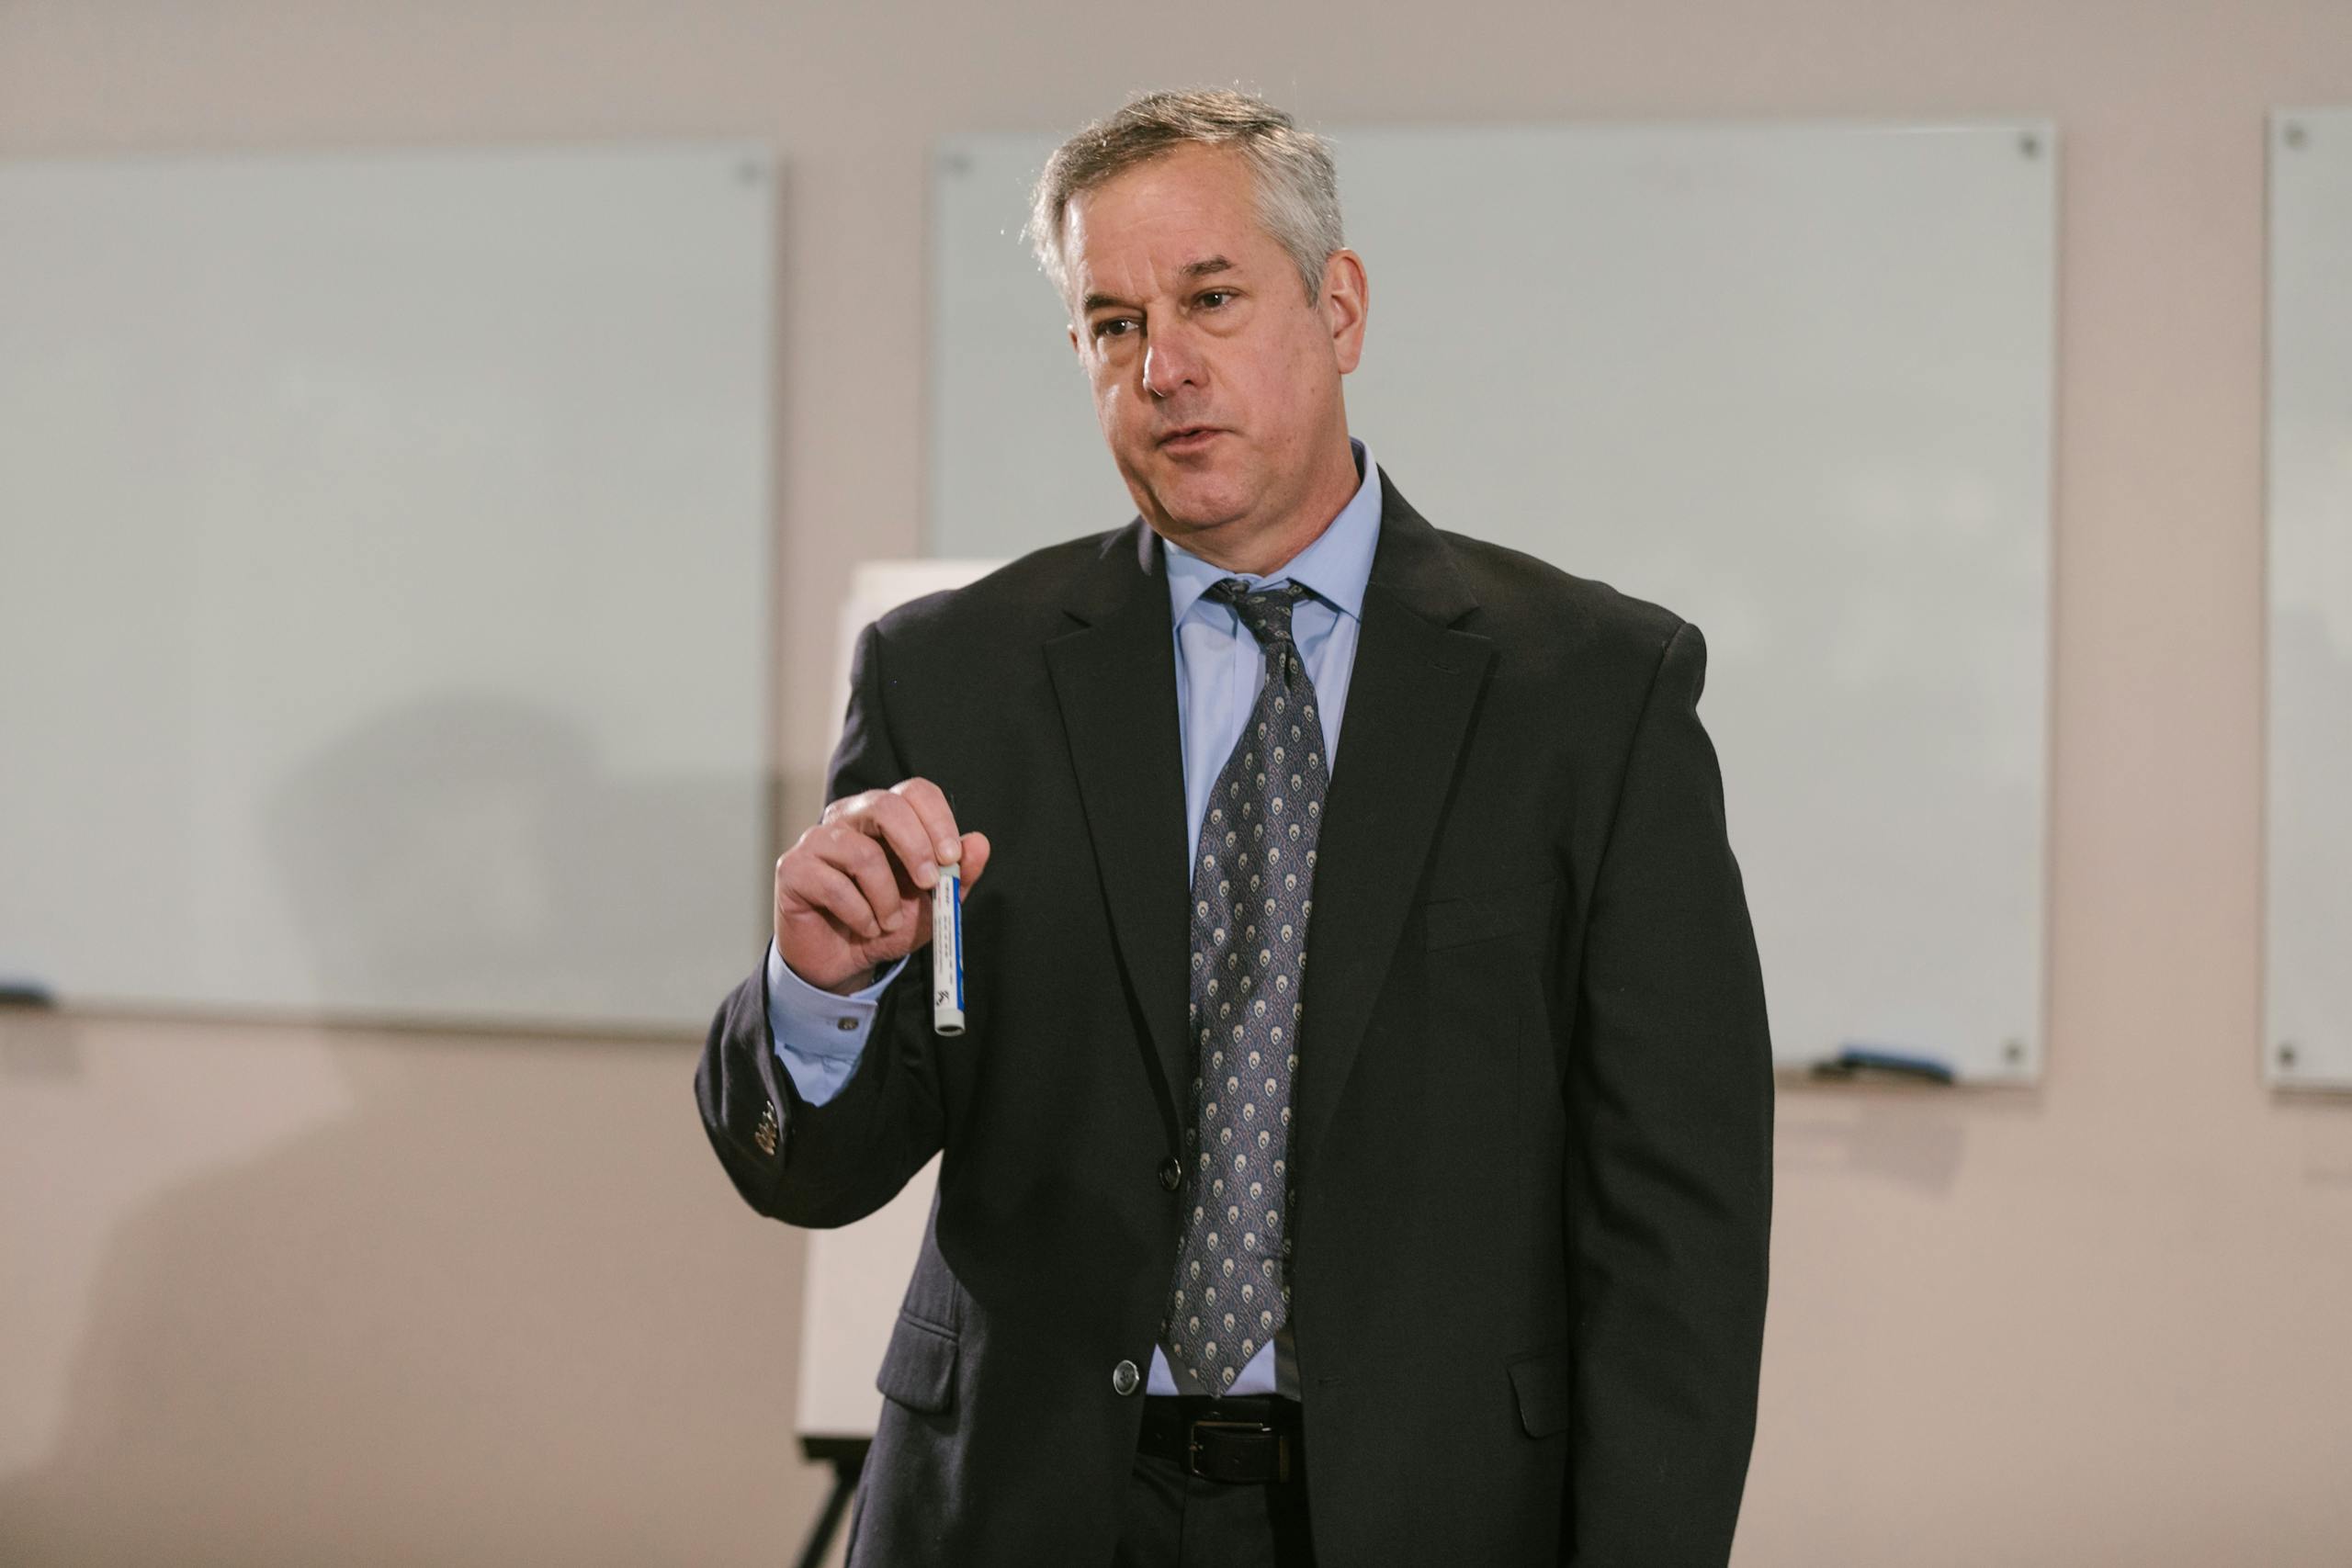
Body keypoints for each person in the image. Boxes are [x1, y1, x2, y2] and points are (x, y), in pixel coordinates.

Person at [696, 88, 1772, 1568]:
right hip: (1014, 1506)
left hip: (1426, 1512)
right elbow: (810, 1171)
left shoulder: (1593, 695)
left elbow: (1680, 1231)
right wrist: (819, 995)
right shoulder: (953, 674)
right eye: (1113, 323)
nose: (1165, 369)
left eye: (1210, 298)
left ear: (1339, 309)